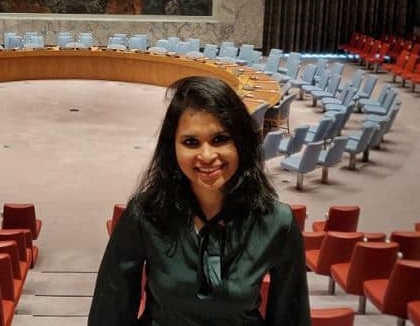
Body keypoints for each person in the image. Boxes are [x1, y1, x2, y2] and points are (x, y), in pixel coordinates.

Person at [89, 77, 311, 326]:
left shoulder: (277, 222)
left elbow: (292, 319)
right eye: (191, 142)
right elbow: (109, 312)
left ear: (241, 142)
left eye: (220, 139)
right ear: (172, 148)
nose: (206, 156)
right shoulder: (145, 214)